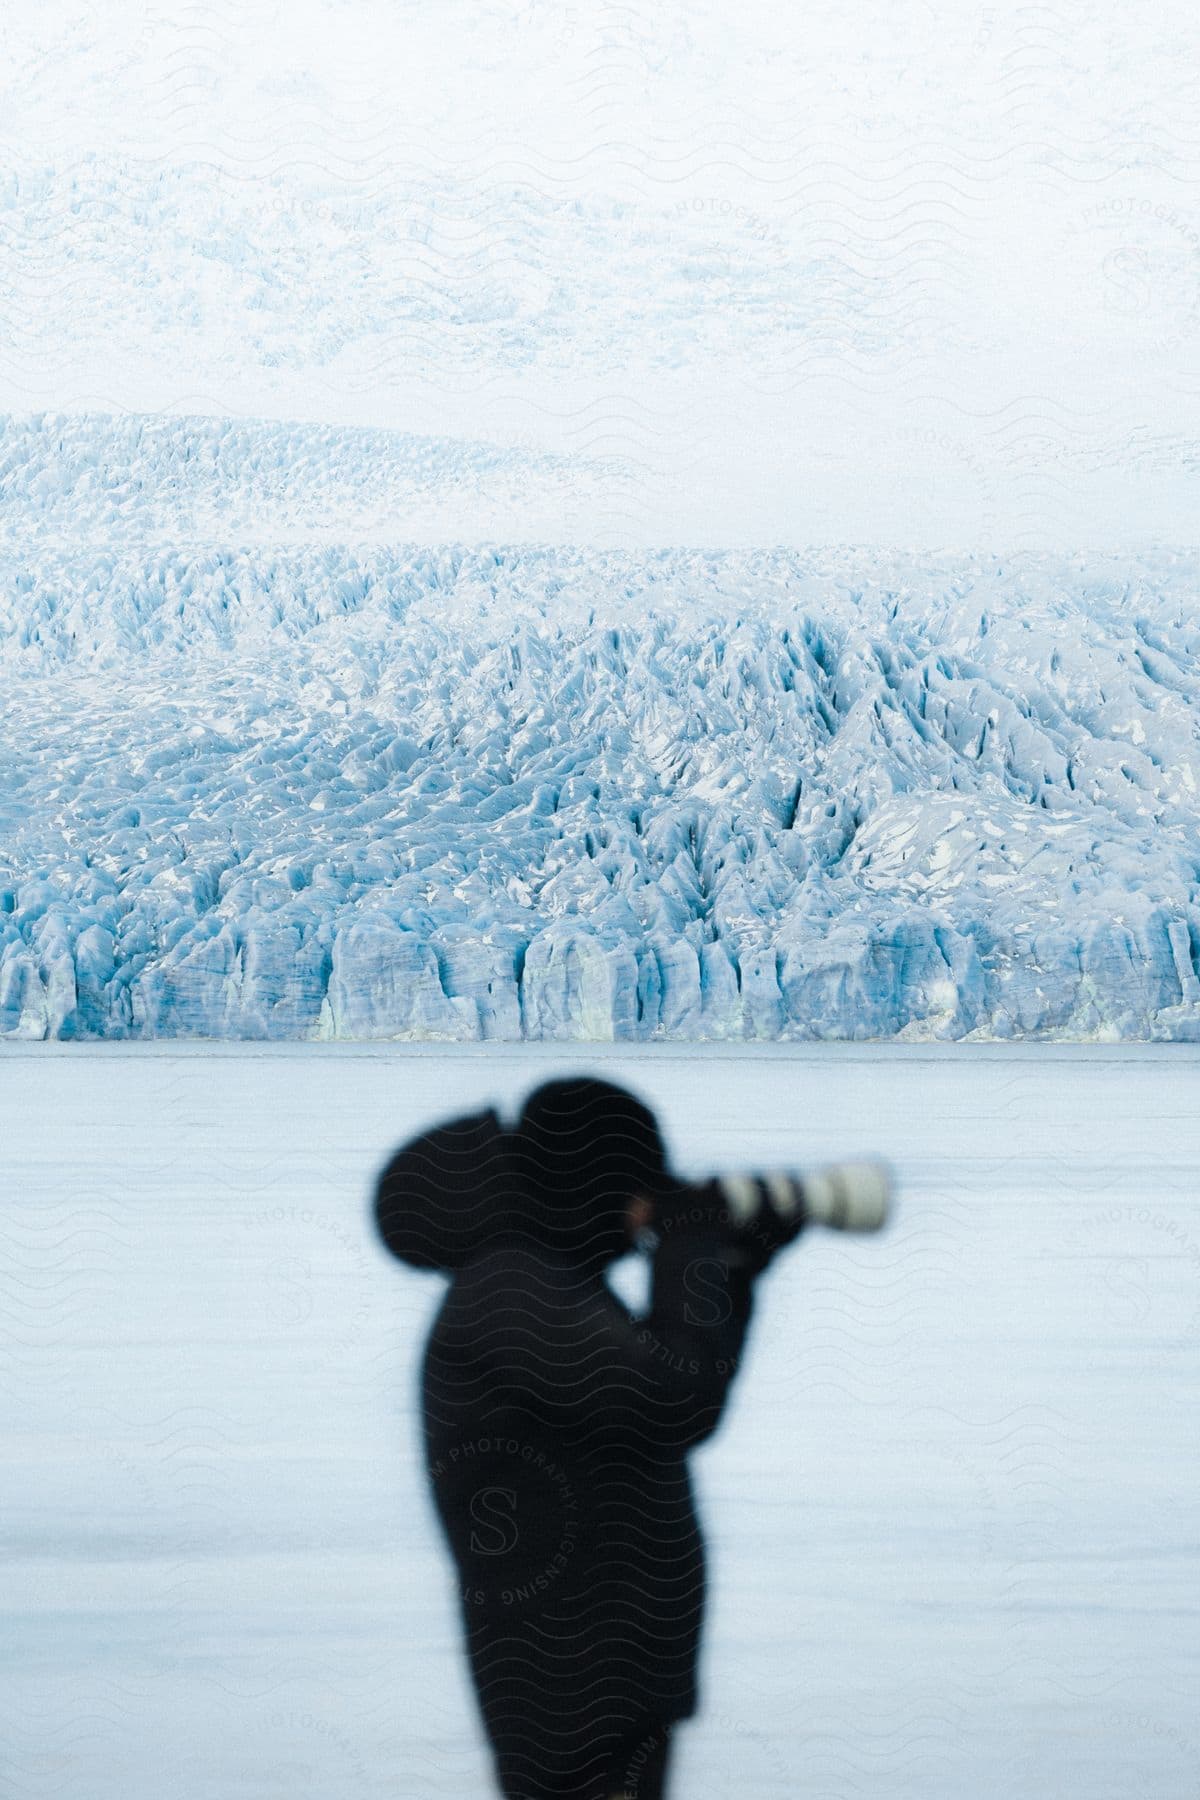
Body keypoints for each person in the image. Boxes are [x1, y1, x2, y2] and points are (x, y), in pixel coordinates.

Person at [372, 1076, 890, 1800]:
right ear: (592, 1184)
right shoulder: (511, 1291)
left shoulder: (541, 1283)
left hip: (600, 1673)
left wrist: (734, 1267)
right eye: (638, 1189)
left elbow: (673, 1390)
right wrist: (693, 1246)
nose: (646, 1212)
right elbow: (674, 1399)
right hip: (572, 1687)